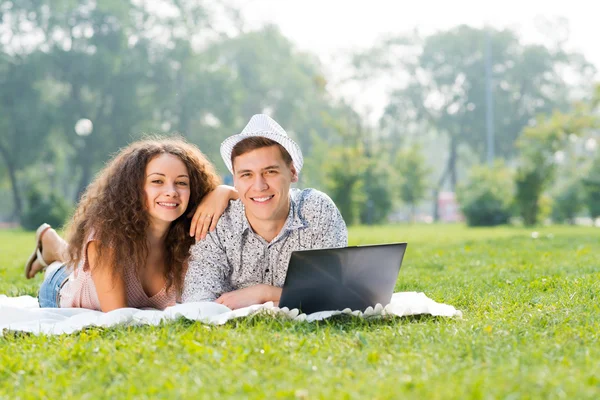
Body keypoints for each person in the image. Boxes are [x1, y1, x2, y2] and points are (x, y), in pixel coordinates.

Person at [25, 137, 230, 312]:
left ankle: (53, 245)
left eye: (182, 183)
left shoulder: (191, 234)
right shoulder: (107, 238)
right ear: (134, 189)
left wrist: (224, 191)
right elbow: (118, 317)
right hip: (60, 288)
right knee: (71, 266)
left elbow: (253, 205)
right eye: (157, 181)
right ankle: (53, 247)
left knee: (77, 259)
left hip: (84, 269)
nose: (171, 191)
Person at [182, 114, 348, 309]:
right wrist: (294, 298)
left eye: (270, 172)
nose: (259, 186)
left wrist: (263, 294)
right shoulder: (218, 221)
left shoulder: (317, 210)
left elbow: (334, 292)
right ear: (235, 180)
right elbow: (197, 300)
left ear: (292, 172)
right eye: (246, 175)